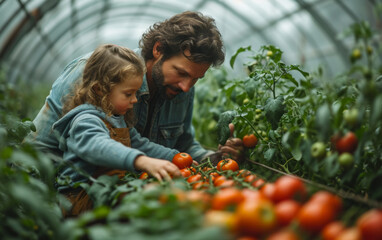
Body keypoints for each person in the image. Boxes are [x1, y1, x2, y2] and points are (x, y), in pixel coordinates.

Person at [27, 11, 243, 170]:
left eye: (196, 78)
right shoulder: (97, 73)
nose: (186, 86)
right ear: (158, 49)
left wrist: (214, 159)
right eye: (181, 73)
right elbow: (43, 148)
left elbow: (181, 145)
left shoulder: (181, 90)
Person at [55, 44, 182, 216]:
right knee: (151, 199)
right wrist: (142, 161)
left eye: (136, 93)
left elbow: (140, 144)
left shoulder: (116, 119)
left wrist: (174, 157)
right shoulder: (85, 121)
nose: (135, 100)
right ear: (99, 90)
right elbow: (98, 146)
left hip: (104, 190)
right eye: (128, 94)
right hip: (79, 199)